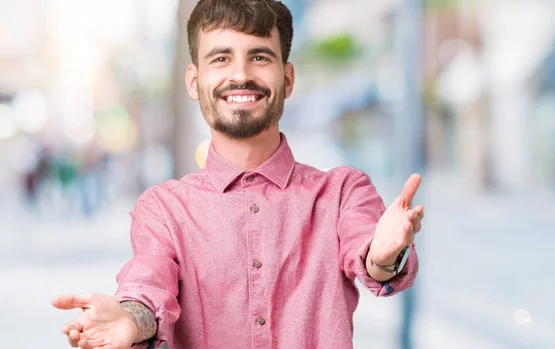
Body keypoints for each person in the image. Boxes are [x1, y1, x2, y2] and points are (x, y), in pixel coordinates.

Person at [51, 0, 425, 348]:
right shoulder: (163, 210)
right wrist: (130, 319)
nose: (241, 75)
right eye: (221, 59)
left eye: (260, 57)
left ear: (288, 78)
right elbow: (148, 286)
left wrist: (385, 254)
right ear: (194, 81)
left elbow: (376, 261)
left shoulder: (342, 192)